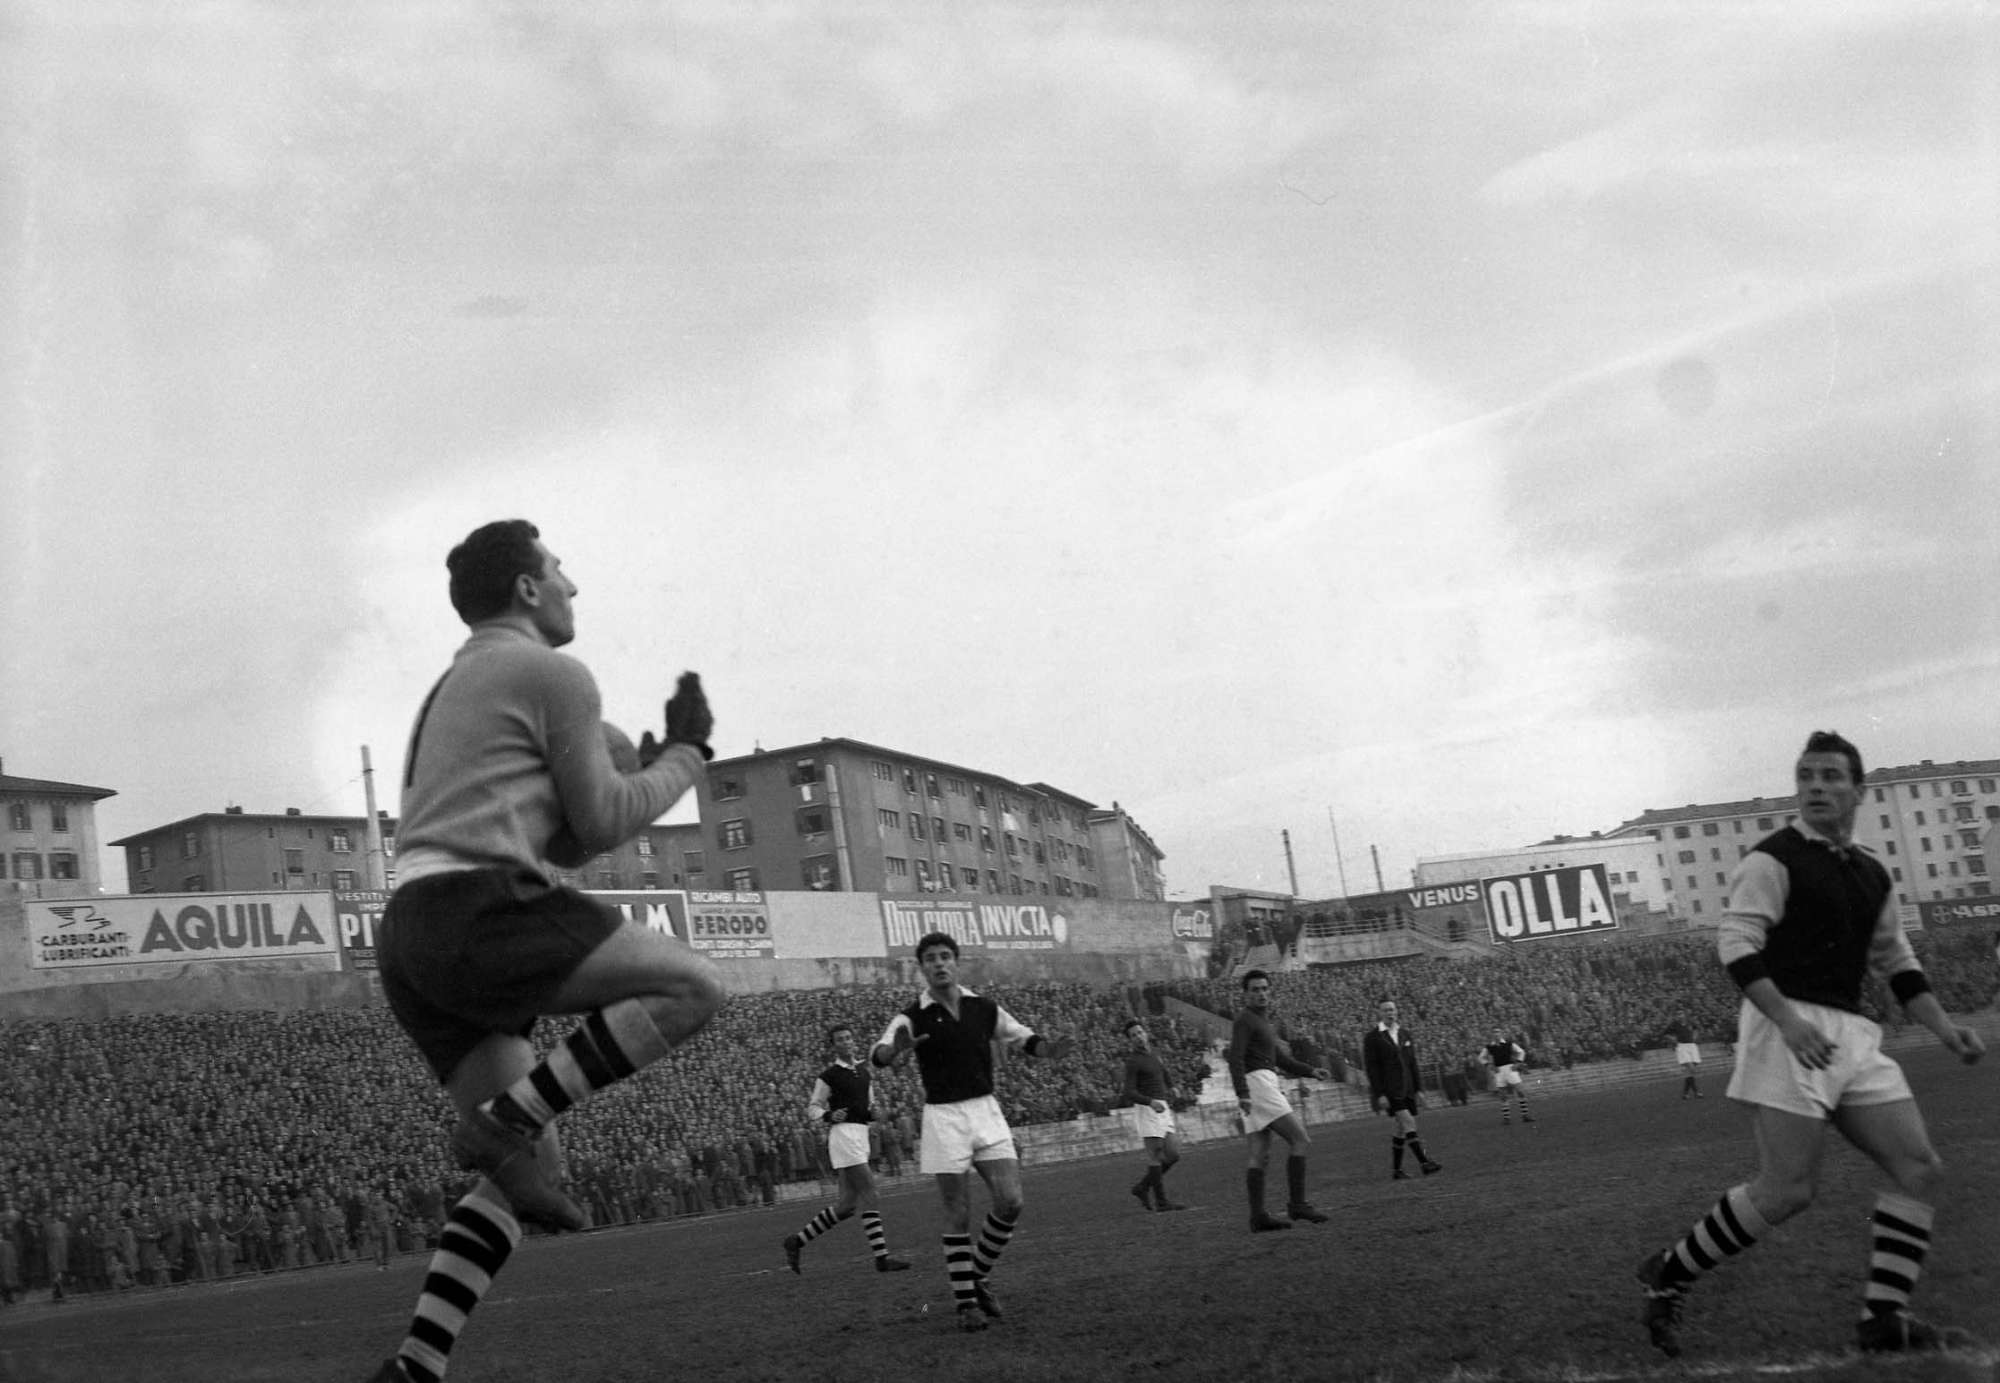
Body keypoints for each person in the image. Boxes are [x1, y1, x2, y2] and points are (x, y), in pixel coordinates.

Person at [366, 519, 727, 1383]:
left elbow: (564, 839)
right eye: (560, 569)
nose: (572, 585)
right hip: (477, 903)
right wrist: (687, 756)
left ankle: (414, 1367)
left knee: (531, 1172)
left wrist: (617, 769)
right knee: (694, 985)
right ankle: (504, 1119)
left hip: (411, 928)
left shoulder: (461, 680)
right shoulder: (553, 672)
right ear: (527, 588)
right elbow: (603, 823)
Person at [1635, 731, 1987, 1359]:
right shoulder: (1772, 860)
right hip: (1785, 1029)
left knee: (1920, 1168)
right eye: (1807, 776)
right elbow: (1736, 943)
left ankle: (1883, 1320)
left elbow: (1896, 960)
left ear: (1858, 790)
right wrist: (1789, 1022)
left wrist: (1944, 1027)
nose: (1816, 787)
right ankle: (1671, 1270)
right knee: (1788, 1189)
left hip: (1852, 1034)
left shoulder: (1872, 872)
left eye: (1830, 776)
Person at [871, 931, 1072, 1333]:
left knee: (1011, 1201)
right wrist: (894, 1052)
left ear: (956, 962)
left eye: (945, 956)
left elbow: (1020, 1035)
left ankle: (975, 1275)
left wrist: (1048, 1049)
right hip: (944, 1117)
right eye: (931, 958)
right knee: (958, 1212)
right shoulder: (911, 1016)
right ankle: (966, 1306)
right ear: (922, 967)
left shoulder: (983, 1007)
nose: (939, 963)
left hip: (985, 1110)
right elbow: (880, 1052)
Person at [781, 1023, 912, 1276]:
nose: (846, 1042)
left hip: (860, 1135)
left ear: (854, 1041)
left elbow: (869, 1107)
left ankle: (796, 1241)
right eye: (840, 1039)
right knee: (870, 1192)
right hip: (844, 1136)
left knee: (846, 1206)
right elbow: (813, 1108)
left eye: (848, 1038)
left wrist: (875, 1113)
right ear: (834, 1046)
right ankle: (882, 1258)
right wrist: (829, 1115)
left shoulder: (864, 1072)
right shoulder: (828, 1076)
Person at [1226, 970, 1333, 1232]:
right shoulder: (1245, 1020)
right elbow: (1235, 1057)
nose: (1261, 994)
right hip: (1258, 1085)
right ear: (1245, 994)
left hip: (1260, 1083)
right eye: (1255, 989)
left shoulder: (1262, 1022)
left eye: (1264, 988)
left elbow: (1282, 1060)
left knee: (1259, 1154)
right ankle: (1298, 1204)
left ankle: (1258, 1217)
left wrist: (1311, 1071)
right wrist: (1243, 1093)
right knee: (1300, 1139)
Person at [1363, 999, 1442, 1180]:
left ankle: (1397, 1171)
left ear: (1396, 1011)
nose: (1390, 1013)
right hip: (1390, 1089)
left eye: (1392, 1009)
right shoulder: (1373, 1037)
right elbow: (1372, 1068)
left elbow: (1412, 1063)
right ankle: (1424, 1163)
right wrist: (1380, 1094)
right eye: (1386, 1010)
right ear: (1379, 1013)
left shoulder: (1405, 1033)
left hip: (1407, 1087)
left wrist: (1419, 1089)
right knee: (1409, 1123)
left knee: (1400, 1128)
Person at [1118, 1018, 1186, 1212]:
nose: (1138, 1037)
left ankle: (1142, 1187)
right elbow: (1128, 1092)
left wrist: (1172, 1086)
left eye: (1140, 1032)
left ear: (1145, 1033)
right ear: (1130, 1040)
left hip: (1161, 1106)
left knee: (1173, 1154)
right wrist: (1149, 1102)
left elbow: (1163, 1071)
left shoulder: (1154, 1053)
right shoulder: (1133, 1062)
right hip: (1147, 1108)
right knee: (1155, 1153)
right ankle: (1162, 1202)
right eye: (1133, 1035)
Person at [1481, 1032, 1534, 1126]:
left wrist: (1518, 1063)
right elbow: (1481, 1057)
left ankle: (1525, 1115)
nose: (1496, 1034)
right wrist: (1489, 1066)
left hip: (1510, 1069)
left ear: (1501, 1034)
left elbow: (1521, 1052)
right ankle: (1506, 1118)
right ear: (1492, 1035)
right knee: (1503, 1095)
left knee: (1520, 1091)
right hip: (1499, 1072)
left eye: (1498, 1032)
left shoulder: (1509, 1044)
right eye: (1494, 1033)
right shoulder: (1489, 1047)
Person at [1665, 1016, 1704, 1100]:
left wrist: (1694, 1037)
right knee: (1692, 1069)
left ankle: (1685, 1094)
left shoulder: (1690, 1021)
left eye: (1681, 1013)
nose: (1680, 1015)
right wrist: (1673, 1040)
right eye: (1678, 1014)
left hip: (1692, 1046)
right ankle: (1697, 1091)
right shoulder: (1674, 1024)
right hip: (1682, 1047)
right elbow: (1666, 1034)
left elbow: (1697, 1029)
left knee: (1689, 1071)